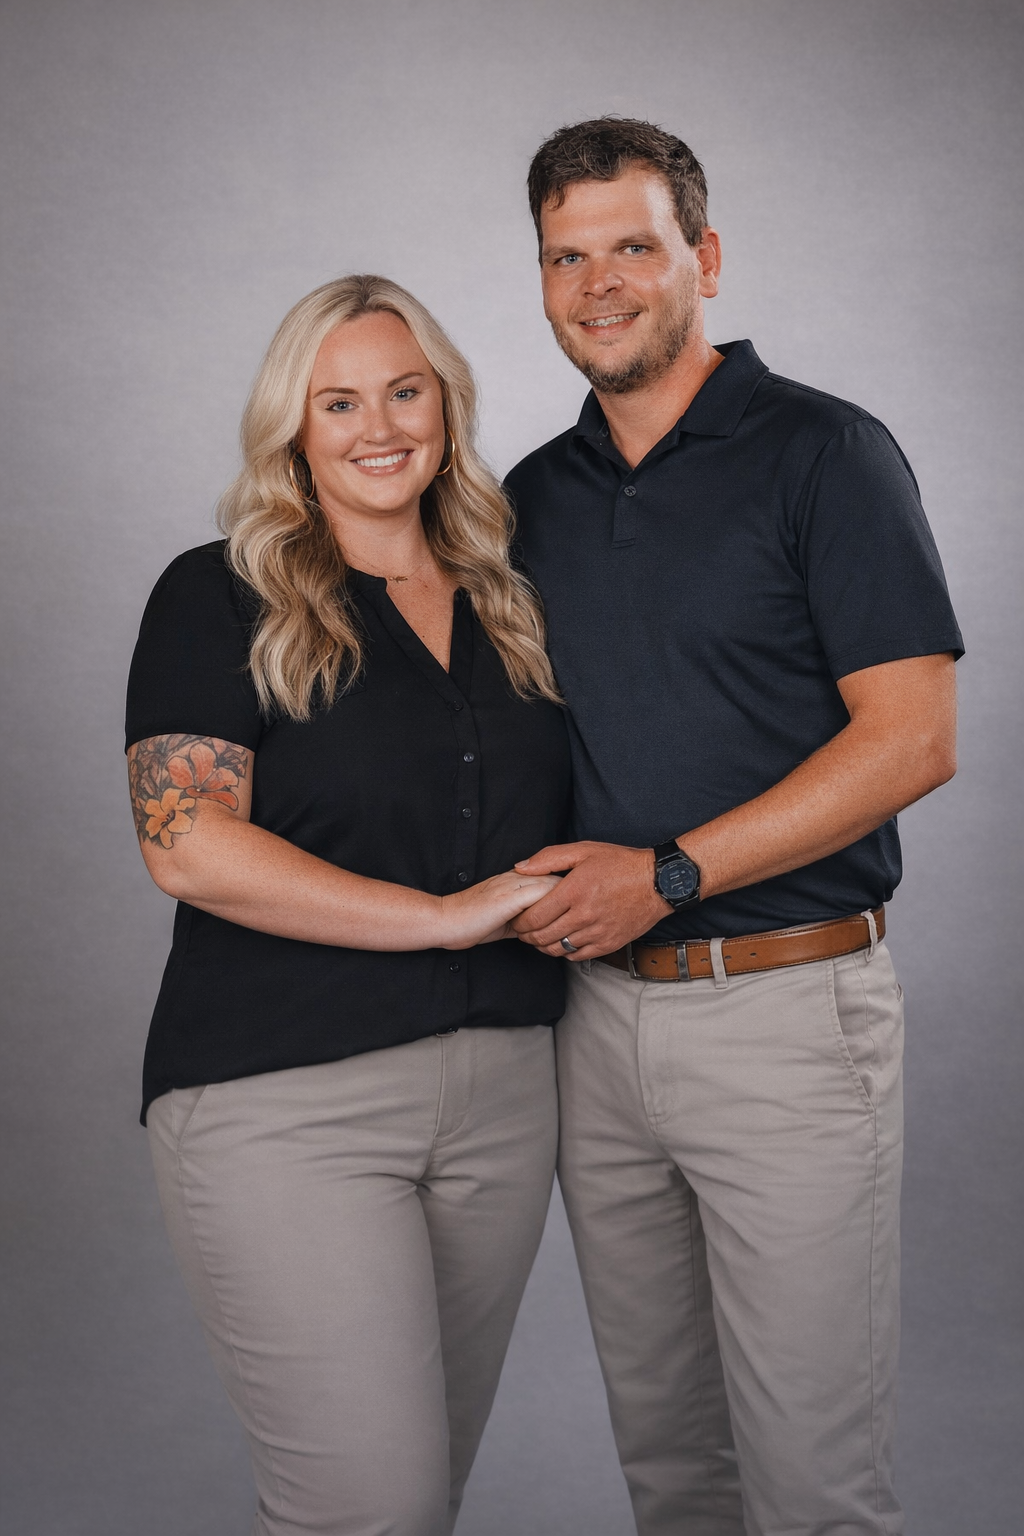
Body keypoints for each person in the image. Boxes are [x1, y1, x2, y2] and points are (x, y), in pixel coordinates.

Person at [505, 119, 963, 1536]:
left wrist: (674, 874)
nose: (600, 282)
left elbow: (913, 740)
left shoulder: (825, 451)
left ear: (702, 258)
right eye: (566, 257)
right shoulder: (530, 500)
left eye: (632, 246)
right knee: (674, 1472)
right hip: (593, 1026)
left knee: (814, 1491)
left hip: (787, 1011)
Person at [125, 274, 571, 1536]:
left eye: (404, 390)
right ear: (294, 427)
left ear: (446, 404)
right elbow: (189, 845)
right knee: (365, 1506)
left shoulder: (514, 601)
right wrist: (437, 916)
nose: (378, 426)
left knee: (418, 1503)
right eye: (338, 402)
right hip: (284, 1101)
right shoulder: (218, 594)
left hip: (504, 1099)